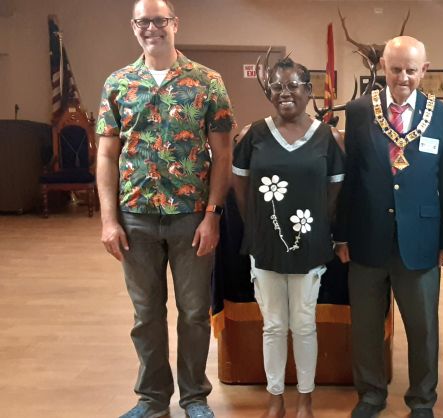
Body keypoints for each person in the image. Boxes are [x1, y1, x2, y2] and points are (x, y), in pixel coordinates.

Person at [95, 1, 234, 417]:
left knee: (193, 313)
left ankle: (194, 398)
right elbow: (106, 155)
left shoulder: (207, 82)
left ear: (175, 23)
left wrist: (213, 214)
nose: (151, 28)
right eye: (143, 21)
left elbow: (222, 153)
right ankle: (153, 399)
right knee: (146, 315)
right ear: (134, 27)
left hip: (191, 217)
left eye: (159, 20)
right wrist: (107, 220)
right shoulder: (118, 84)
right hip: (135, 217)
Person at [334, 35, 443, 418]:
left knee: (422, 329)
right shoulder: (358, 111)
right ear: (383, 68)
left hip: (420, 239)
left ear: (424, 70)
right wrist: (341, 234)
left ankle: (422, 400)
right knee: (367, 327)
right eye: (395, 69)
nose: (402, 77)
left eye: (410, 69)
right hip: (367, 236)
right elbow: (349, 177)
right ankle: (371, 395)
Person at [231, 57, 344, 418]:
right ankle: (276, 396)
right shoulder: (254, 135)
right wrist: (260, 224)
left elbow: (334, 192)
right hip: (265, 246)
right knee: (274, 325)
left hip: (309, 247)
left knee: (305, 324)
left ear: (309, 91)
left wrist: (315, 228)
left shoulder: (326, 136)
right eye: (277, 87)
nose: (285, 94)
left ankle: (305, 398)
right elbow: (240, 186)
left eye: (293, 85)